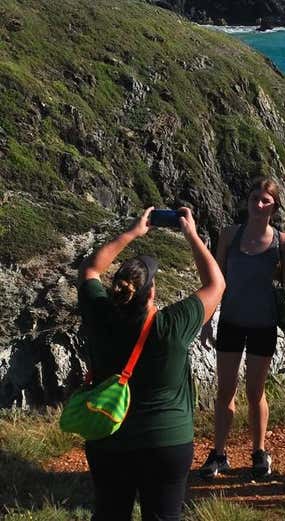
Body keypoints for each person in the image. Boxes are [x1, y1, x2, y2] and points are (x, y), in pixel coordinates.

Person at [77, 206, 225, 521]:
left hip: (108, 438)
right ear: (152, 291)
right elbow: (216, 285)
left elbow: (90, 269)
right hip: (166, 441)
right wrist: (192, 236)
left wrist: (132, 232)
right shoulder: (173, 324)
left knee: (109, 514)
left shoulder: (100, 314)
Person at [199, 178, 285, 480]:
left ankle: (259, 451)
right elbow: (215, 280)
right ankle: (218, 453)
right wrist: (206, 319)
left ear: (274, 205)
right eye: (254, 198)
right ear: (247, 200)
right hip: (231, 320)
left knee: (256, 391)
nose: (258, 205)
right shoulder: (229, 234)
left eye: (265, 200)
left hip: (263, 324)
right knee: (225, 390)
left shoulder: (283, 241)